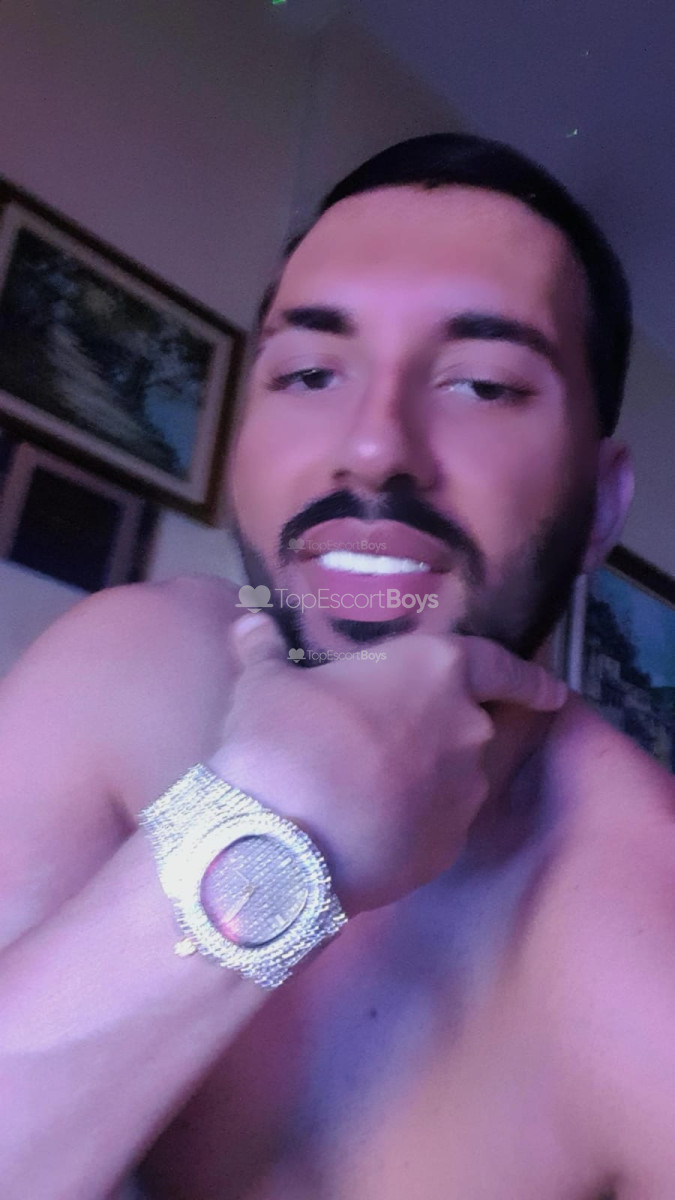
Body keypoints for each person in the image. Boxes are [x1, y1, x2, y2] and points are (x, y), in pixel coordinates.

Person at [1, 132, 673, 1200]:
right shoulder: (122, 672)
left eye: (482, 385)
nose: (372, 445)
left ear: (600, 506)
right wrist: (271, 826)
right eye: (309, 373)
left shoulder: (643, 942)